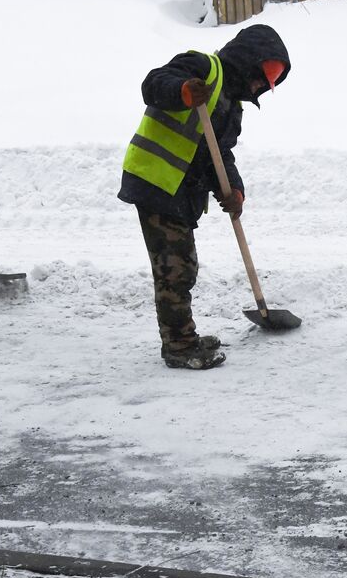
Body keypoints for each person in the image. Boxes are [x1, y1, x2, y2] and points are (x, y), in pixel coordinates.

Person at [118, 25, 291, 370]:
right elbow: (153, 84)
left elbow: (220, 154)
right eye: (263, 78)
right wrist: (182, 90)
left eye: (270, 84)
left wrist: (234, 190)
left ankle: (184, 335)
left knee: (183, 266)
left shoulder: (232, 107)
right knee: (176, 268)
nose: (262, 88)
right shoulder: (201, 68)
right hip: (156, 178)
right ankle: (179, 346)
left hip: (180, 188)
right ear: (247, 63)